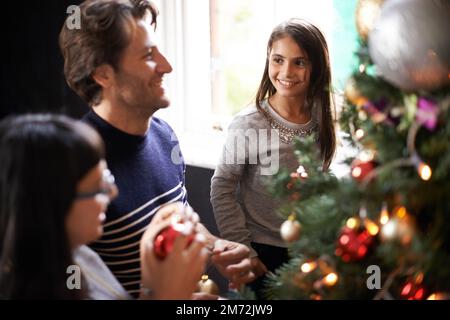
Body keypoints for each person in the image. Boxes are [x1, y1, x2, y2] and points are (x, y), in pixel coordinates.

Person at [59, 0, 254, 297]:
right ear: (103, 74)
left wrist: (216, 247)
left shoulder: (164, 136)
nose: (167, 66)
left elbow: (179, 219)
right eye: (149, 55)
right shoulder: (76, 166)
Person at [0, 114, 208, 299]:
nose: (113, 193)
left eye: (106, 177)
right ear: (51, 203)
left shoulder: (78, 259)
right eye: (97, 188)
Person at [210, 18, 336, 298]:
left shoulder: (321, 119)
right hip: (262, 253)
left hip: (309, 251)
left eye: (299, 62)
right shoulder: (247, 124)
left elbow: (320, 178)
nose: (286, 71)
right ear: (268, 59)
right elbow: (222, 189)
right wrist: (244, 250)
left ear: (316, 67)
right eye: (278, 60)